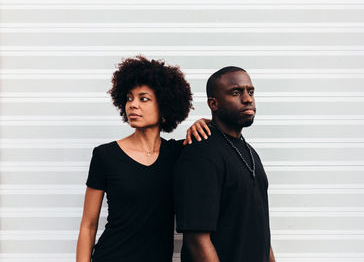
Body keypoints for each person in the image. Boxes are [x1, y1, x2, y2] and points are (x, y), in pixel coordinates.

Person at [76, 56, 211, 262]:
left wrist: (205, 123)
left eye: (143, 98)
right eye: (129, 98)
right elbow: (88, 225)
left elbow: (221, 136)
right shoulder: (105, 155)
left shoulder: (179, 153)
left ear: (165, 106)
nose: (133, 105)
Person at [174, 66, 276, 262]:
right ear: (214, 103)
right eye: (236, 92)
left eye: (251, 91)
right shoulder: (201, 154)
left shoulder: (250, 153)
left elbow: (262, 231)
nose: (247, 99)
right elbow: (197, 240)